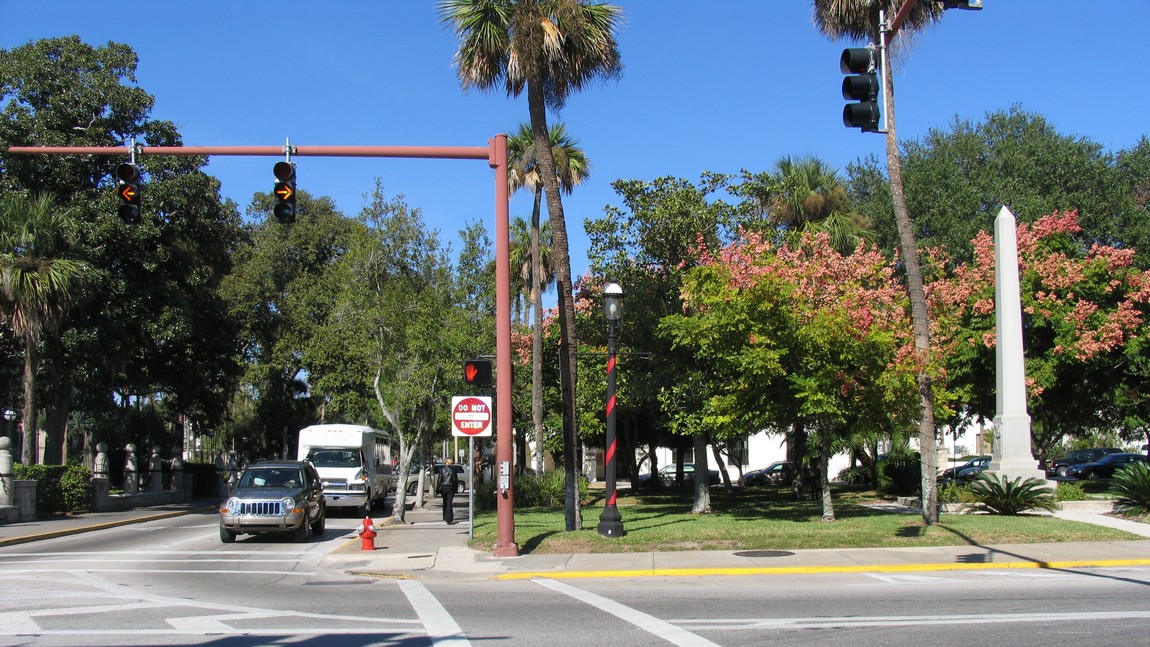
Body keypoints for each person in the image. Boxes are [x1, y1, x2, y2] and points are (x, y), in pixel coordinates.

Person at [438, 458, 459, 524]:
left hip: (443, 487)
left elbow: (439, 479)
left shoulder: (442, 469)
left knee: (445, 502)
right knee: (449, 503)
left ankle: (445, 517)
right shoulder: (453, 470)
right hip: (450, 487)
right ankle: (449, 519)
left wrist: (438, 488)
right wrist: (456, 488)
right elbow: (455, 479)